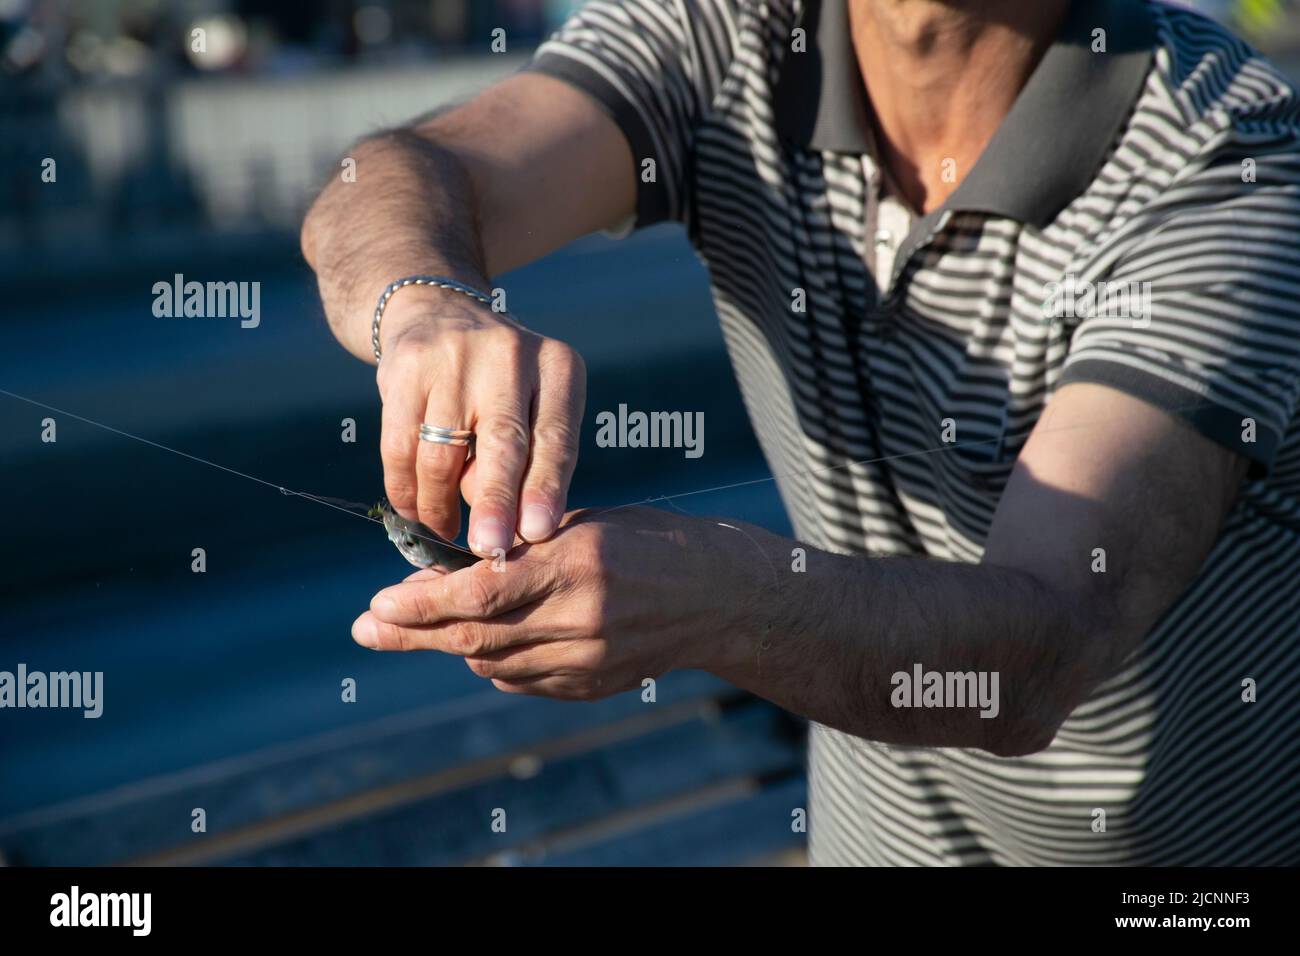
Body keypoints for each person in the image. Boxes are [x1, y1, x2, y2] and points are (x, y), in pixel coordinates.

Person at [300, 0, 1300, 865]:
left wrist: (721, 600)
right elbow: (399, 175)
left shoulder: (1227, 155)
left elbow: (1037, 649)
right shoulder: (732, 33)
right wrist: (429, 303)